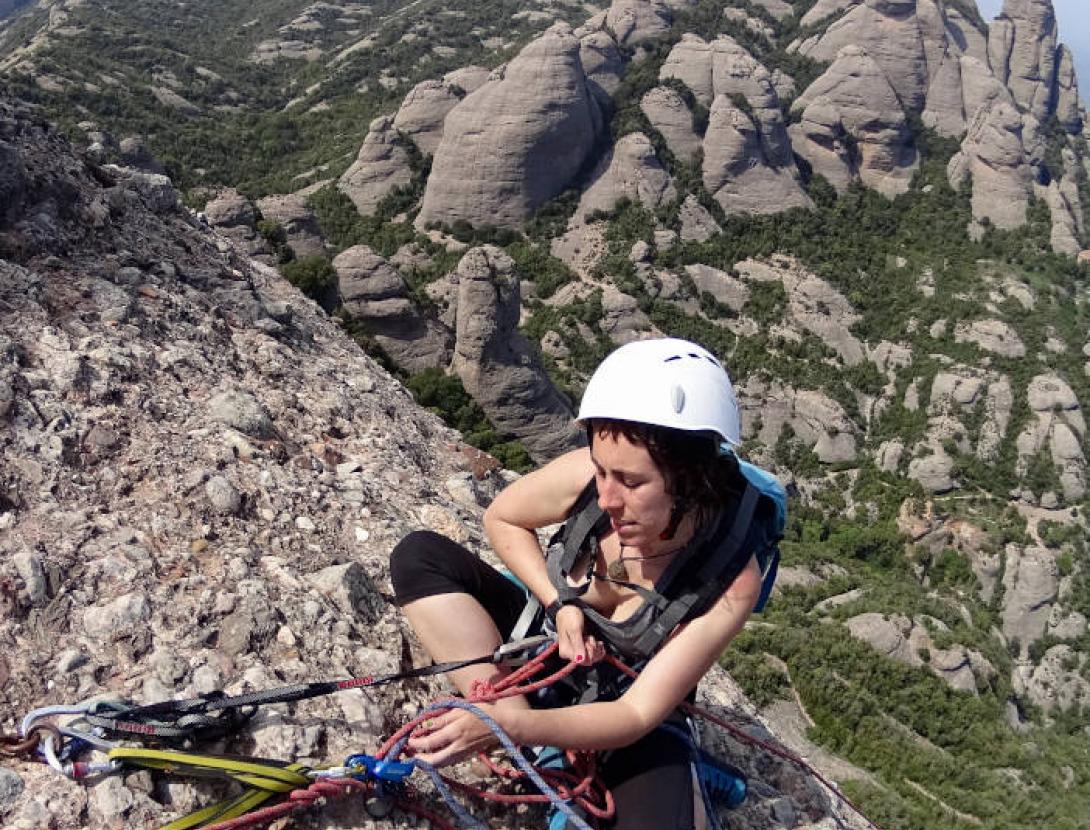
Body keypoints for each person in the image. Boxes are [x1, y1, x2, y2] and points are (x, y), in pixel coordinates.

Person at [389, 338, 777, 829]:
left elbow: (636, 715)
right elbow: (503, 518)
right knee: (419, 556)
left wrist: (517, 726)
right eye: (601, 469)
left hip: (625, 705)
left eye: (632, 483)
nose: (607, 497)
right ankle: (528, 739)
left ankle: (650, 768)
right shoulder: (590, 479)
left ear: (690, 480)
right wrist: (560, 604)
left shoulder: (731, 579)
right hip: (552, 645)